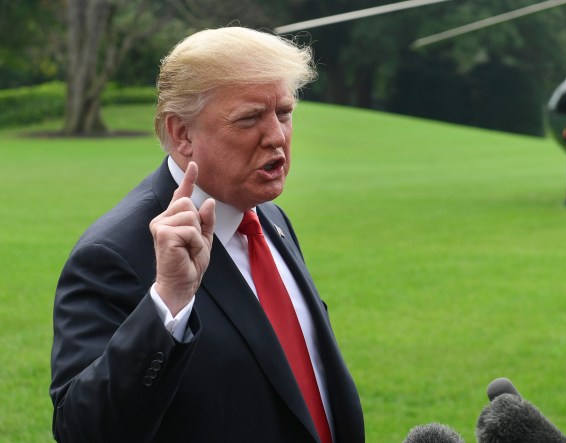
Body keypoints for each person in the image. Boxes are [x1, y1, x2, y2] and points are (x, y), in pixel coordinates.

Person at [50, 27, 365, 443]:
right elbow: (83, 430)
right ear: (182, 134)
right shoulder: (112, 253)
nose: (277, 137)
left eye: (284, 113)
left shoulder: (270, 217)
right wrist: (168, 303)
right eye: (249, 118)